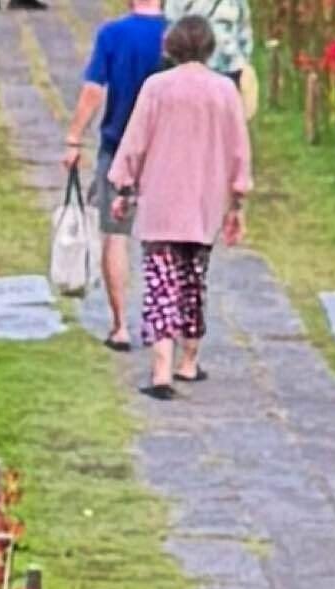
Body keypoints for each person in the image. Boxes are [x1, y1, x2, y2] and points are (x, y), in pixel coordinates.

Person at [103, 19, 247, 400]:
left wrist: (123, 186)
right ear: (210, 48)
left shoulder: (156, 88)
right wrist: (237, 203)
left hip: (162, 202)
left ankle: (161, 370)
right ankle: (189, 360)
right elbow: (238, 151)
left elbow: (135, 143)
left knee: (160, 283)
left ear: (171, 47)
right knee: (194, 279)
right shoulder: (225, 91)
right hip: (204, 203)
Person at [70, 3, 170, 344]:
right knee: (166, 239)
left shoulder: (112, 34)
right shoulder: (176, 35)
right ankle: (162, 326)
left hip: (118, 146)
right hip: (165, 150)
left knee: (116, 235)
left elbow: (93, 90)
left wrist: (74, 138)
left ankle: (120, 325)